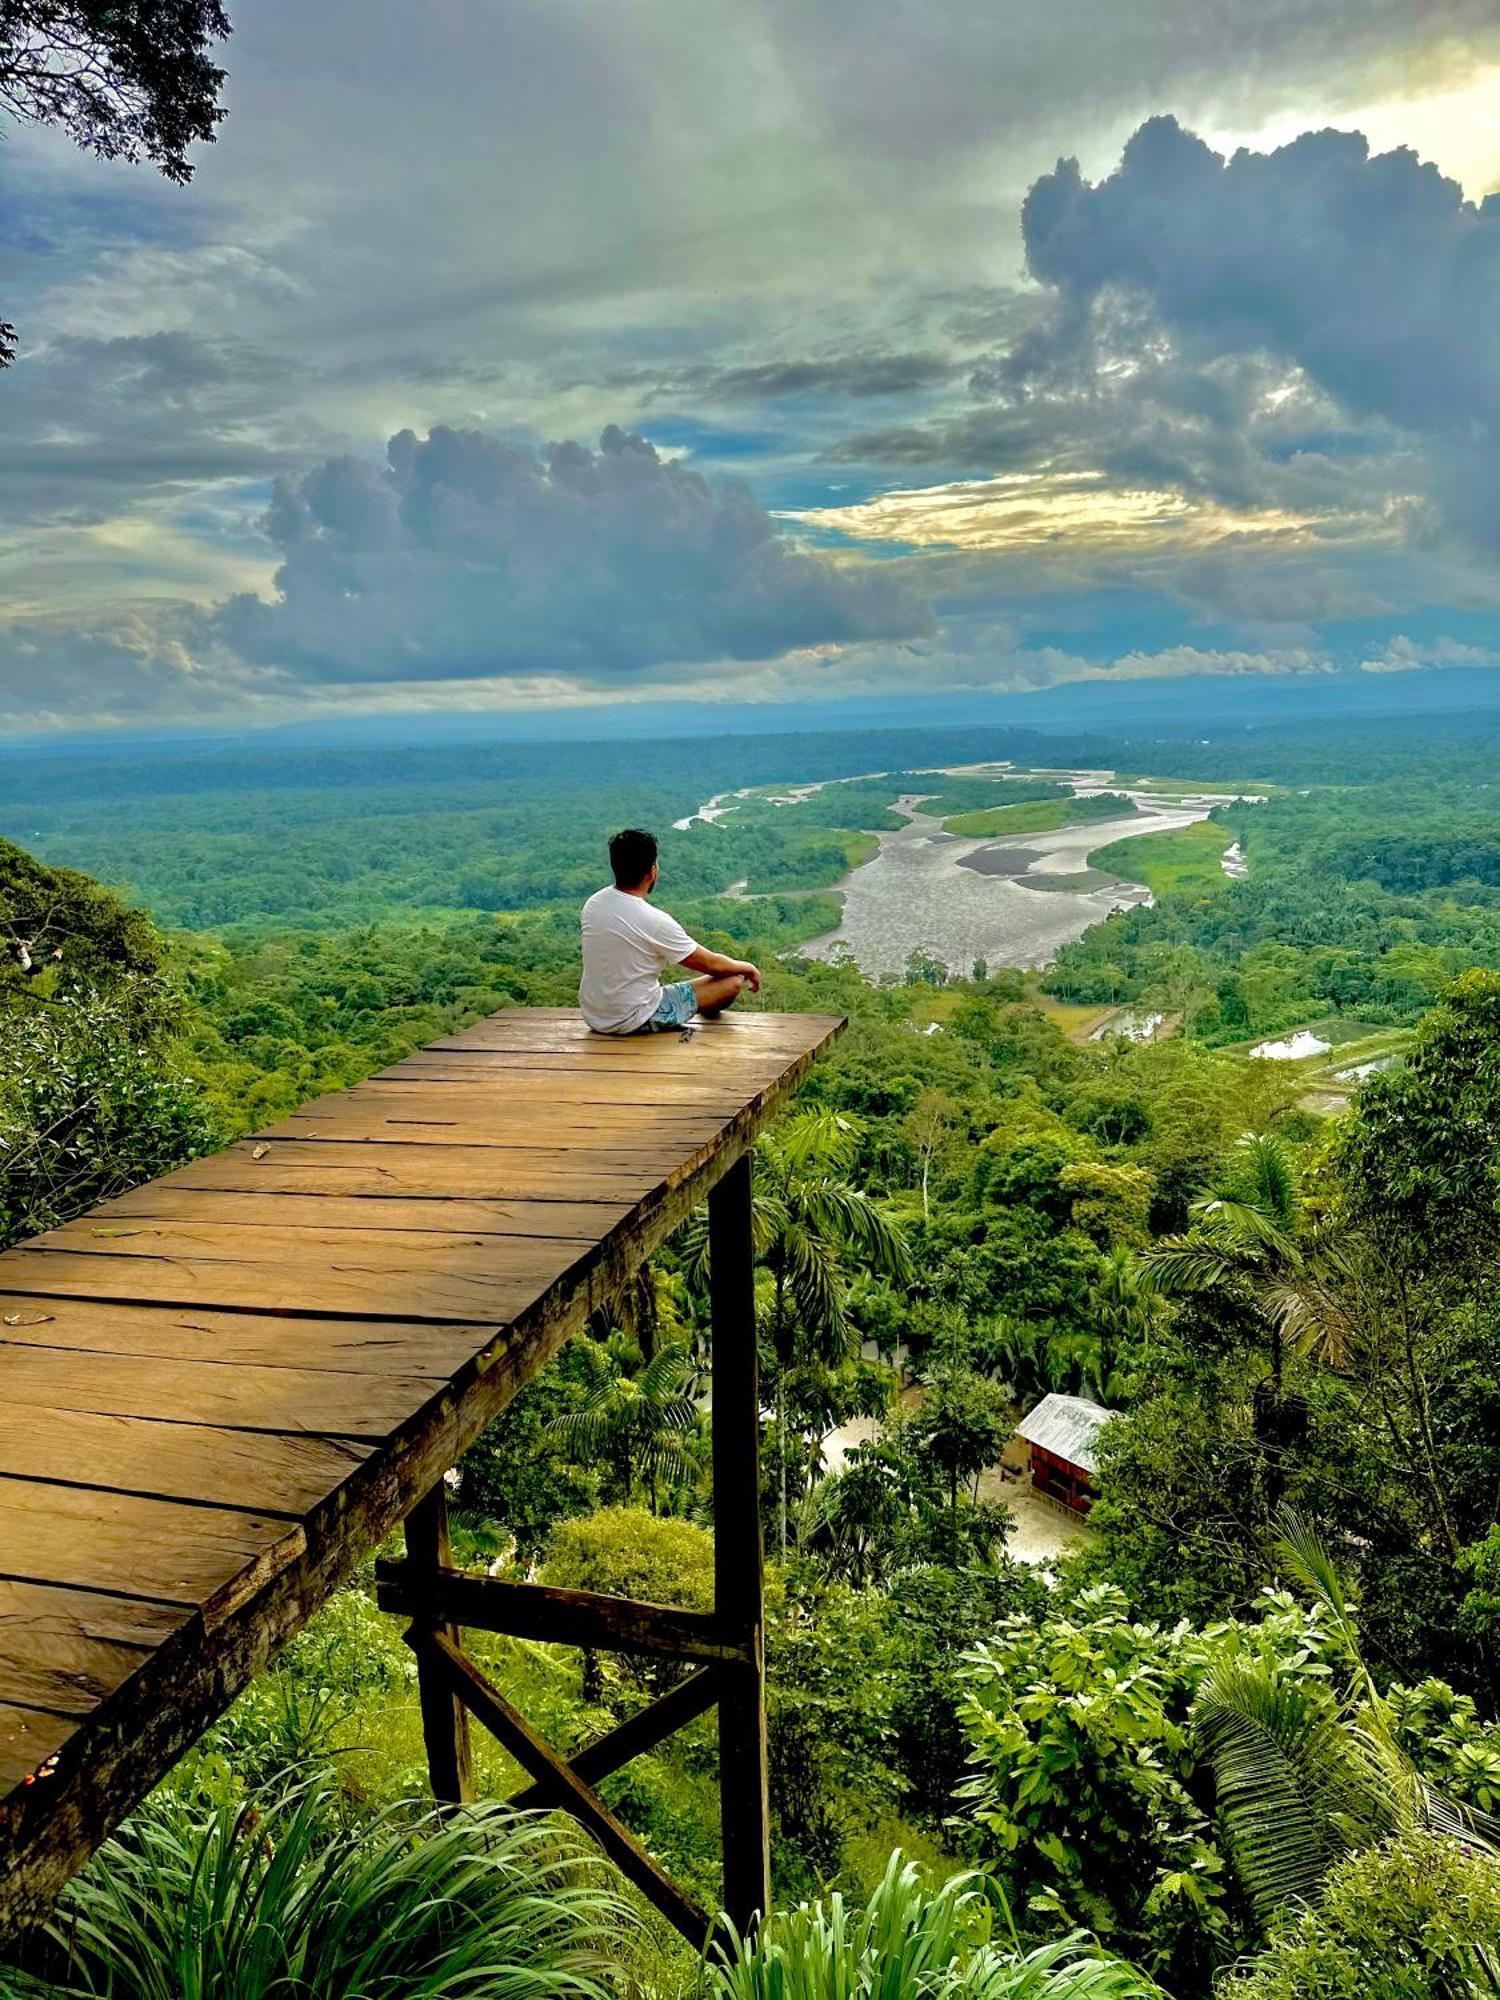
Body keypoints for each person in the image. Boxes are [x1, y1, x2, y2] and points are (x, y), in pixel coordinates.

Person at [579, 827, 760, 1034]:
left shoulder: (594, 903)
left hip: (594, 1016)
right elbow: (712, 964)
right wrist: (747, 968)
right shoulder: (654, 920)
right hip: (635, 1018)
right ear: (653, 870)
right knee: (732, 980)